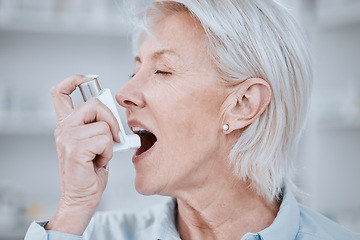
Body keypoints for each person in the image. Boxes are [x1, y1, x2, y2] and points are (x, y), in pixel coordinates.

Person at [25, 0, 360, 239]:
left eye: (162, 70)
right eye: (134, 69)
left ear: (243, 104)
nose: (124, 92)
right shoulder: (91, 234)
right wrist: (73, 207)